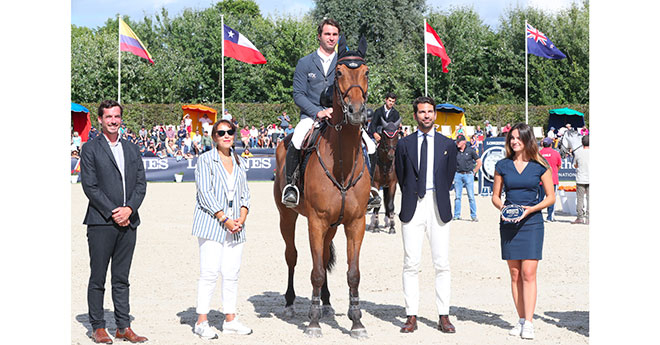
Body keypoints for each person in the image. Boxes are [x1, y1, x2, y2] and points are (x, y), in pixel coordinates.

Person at [283, 18, 377, 208]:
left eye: (334, 34)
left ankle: (371, 189)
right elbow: (298, 94)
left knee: (371, 144)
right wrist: (318, 112)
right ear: (319, 36)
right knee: (297, 137)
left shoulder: (345, 61)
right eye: (327, 34)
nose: (331, 38)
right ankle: (292, 186)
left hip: (342, 117)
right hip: (312, 117)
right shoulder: (305, 62)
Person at [79, 100, 148, 344]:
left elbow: (141, 184)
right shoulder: (90, 149)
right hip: (101, 222)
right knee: (98, 277)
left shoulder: (131, 148)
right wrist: (113, 211)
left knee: (121, 278)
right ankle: (98, 326)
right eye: (108, 117)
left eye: (116, 116)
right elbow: (90, 186)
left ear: (121, 118)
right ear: (100, 119)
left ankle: (122, 326)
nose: (113, 121)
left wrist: (129, 209)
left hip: (129, 222)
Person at [394, 96, 458, 334]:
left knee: (442, 263)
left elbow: (449, 175)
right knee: (411, 263)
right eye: (422, 112)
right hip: (413, 204)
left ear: (435, 114)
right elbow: (401, 175)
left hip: (438, 205)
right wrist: (413, 194)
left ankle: (444, 315)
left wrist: (436, 194)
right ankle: (411, 315)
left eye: (430, 111)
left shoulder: (447, 144)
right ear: (415, 115)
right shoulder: (404, 144)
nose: (426, 115)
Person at [490, 123, 555, 340]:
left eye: (519, 138)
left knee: (528, 273)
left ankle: (529, 322)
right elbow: (495, 196)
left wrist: (530, 210)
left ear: (528, 139)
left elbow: (550, 197)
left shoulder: (540, 166)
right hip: (509, 223)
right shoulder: (502, 165)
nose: (514, 141)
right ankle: (519, 320)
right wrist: (505, 209)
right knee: (515, 274)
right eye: (512, 138)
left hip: (532, 223)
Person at [192, 119, 252, 339]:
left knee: (231, 273)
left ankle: (230, 319)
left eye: (230, 132)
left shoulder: (238, 161)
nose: (226, 136)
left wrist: (241, 217)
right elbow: (204, 193)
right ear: (214, 137)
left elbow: (245, 192)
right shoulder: (205, 160)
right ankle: (201, 321)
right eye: (221, 133)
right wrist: (224, 218)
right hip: (212, 223)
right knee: (209, 273)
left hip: (236, 225)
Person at [453, 134, 482, 221]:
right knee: (457, 197)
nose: (457, 143)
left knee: (471, 196)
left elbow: (479, 162)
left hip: (468, 175)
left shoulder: (471, 151)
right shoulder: (454, 151)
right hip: (458, 175)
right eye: (457, 141)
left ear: (464, 142)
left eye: (459, 141)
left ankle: (473, 215)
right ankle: (456, 215)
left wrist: (474, 171)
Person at [539, 137, 561, 222]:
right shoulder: (555, 153)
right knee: (551, 198)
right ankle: (550, 217)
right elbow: (559, 165)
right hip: (552, 179)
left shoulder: (539, 153)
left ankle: (539, 216)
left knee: (540, 199)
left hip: (541, 180)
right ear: (551, 144)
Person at [572, 135, 589, 224]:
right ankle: (589, 218)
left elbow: (575, 165)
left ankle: (580, 217)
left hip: (581, 178)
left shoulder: (578, 153)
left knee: (580, 198)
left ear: (582, 143)